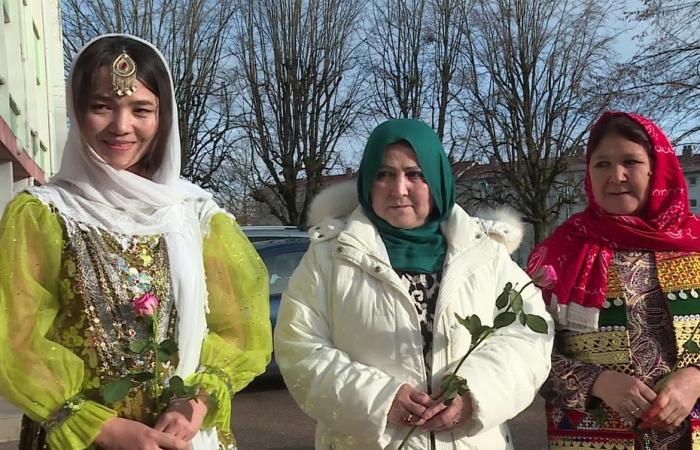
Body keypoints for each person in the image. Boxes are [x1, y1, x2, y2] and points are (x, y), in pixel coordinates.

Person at [0, 34, 272, 450]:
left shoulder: (198, 217)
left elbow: (239, 333)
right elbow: (15, 341)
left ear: (163, 117)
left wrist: (196, 404)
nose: (121, 126)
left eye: (141, 109)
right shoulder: (44, 214)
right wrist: (99, 428)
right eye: (101, 106)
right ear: (77, 111)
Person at [274, 118, 554, 450]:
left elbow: (527, 340)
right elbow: (300, 348)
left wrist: (474, 394)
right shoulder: (329, 256)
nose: (399, 189)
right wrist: (379, 400)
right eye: (384, 174)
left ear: (436, 179)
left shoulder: (485, 254)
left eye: (415, 174)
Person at [527, 111, 700, 450]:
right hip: (592, 436)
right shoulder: (555, 256)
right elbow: (522, 352)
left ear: (655, 168)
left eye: (630, 162)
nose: (616, 176)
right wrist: (596, 382)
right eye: (602, 164)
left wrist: (696, 379)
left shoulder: (695, 244)